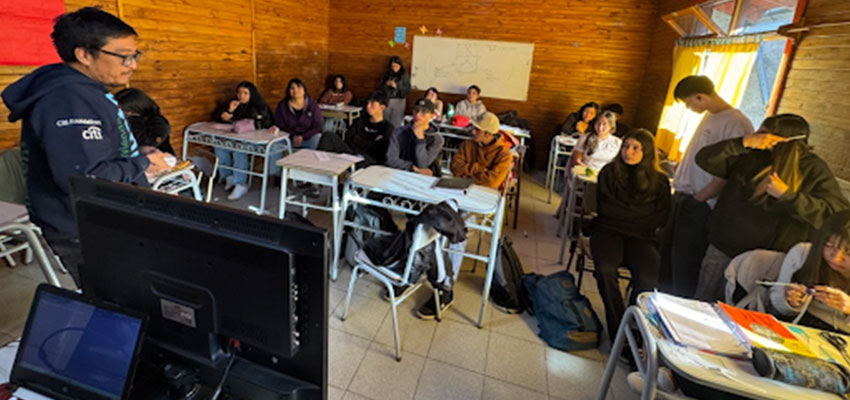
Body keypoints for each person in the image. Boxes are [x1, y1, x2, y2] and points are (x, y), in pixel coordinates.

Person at [1, 7, 170, 285]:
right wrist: (144, 164)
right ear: (84, 55)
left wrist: (136, 154)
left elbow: (92, 153)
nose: (133, 64)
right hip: (87, 226)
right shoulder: (69, 98)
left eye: (135, 55)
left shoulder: (82, 90)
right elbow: (83, 178)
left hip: (102, 219)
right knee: (119, 298)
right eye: (124, 56)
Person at [693, 113, 849, 301]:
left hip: (768, 262)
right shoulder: (751, 154)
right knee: (703, 301)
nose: (758, 135)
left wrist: (788, 196)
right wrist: (742, 143)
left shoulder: (812, 168)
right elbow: (705, 159)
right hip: (723, 248)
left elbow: (833, 215)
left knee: (744, 312)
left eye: (764, 133)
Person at [660, 75, 754, 298]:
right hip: (683, 196)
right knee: (667, 259)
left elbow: (731, 170)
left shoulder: (736, 123)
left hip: (701, 204)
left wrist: (701, 197)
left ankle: (676, 319)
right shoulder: (711, 116)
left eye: (689, 102)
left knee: (684, 267)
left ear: (701, 96)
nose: (689, 107)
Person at [592, 129, 670, 346]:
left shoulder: (660, 182)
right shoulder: (608, 173)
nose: (629, 152)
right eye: (626, 146)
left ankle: (633, 323)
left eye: (636, 148)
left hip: (642, 237)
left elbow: (660, 218)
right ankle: (620, 331)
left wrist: (626, 214)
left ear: (646, 151)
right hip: (608, 231)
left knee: (648, 280)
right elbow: (606, 210)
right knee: (606, 270)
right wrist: (639, 214)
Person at [770, 210, 850, 333]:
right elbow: (777, 309)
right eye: (829, 245)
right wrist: (789, 301)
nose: (836, 258)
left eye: (848, 253)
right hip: (798, 331)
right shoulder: (803, 254)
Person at [214, 81, 274, 200]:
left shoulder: (259, 106)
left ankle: (241, 183)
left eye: (245, 93)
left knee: (239, 150)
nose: (241, 96)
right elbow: (219, 119)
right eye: (239, 93)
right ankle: (229, 176)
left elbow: (266, 123)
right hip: (235, 138)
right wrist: (230, 111)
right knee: (219, 146)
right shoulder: (234, 104)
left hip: (256, 141)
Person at [317, 91, 393, 167]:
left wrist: (357, 139)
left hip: (369, 159)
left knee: (363, 160)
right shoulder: (360, 121)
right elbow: (348, 138)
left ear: (382, 107)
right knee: (328, 136)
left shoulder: (387, 127)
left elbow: (379, 149)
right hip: (352, 152)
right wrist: (369, 142)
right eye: (368, 103)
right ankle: (321, 166)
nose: (368, 106)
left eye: (372, 104)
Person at [449, 112, 513, 190]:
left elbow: (491, 182)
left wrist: (466, 176)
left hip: (486, 194)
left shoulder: (504, 155)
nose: (473, 132)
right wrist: (479, 169)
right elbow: (454, 167)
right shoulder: (467, 144)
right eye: (473, 128)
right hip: (461, 189)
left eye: (477, 130)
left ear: (488, 134)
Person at [385, 98, 443, 176]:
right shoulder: (399, 132)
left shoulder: (437, 139)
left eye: (424, 112)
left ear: (432, 116)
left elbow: (422, 164)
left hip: (425, 177)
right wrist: (413, 168)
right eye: (416, 110)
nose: (418, 115)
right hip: (399, 173)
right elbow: (390, 160)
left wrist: (420, 140)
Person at [114, 88, 173, 155]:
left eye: (123, 110)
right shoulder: (119, 119)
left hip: (160, 160)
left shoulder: (158, 123)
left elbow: (146, 143)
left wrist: (133, 119)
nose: (119, 113)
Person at [274, 78, 323, 151]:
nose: (295, 90)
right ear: (288, 91)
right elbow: (280, 125)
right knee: (274, 144)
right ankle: (274, 162)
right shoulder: (282, 105)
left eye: (299, 87)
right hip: (289, 137)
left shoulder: (312, 104)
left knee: (317, 139)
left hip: (308, 137)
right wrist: (293, 136)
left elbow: (318, 125)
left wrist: (303, 137)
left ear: (304, 90)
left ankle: (309, 162)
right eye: (292, 88)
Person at [379, 56, 410, 128]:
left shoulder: (404, 75)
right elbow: (380, 86)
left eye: (396, 66)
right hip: (388, 99)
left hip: (399, 100)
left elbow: (408, 89)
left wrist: (397, 86)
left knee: (396, 122)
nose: (394, 68)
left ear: (400, 66)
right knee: (385, 120)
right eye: (392, 66)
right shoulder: (387, 74)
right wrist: (386, 84)